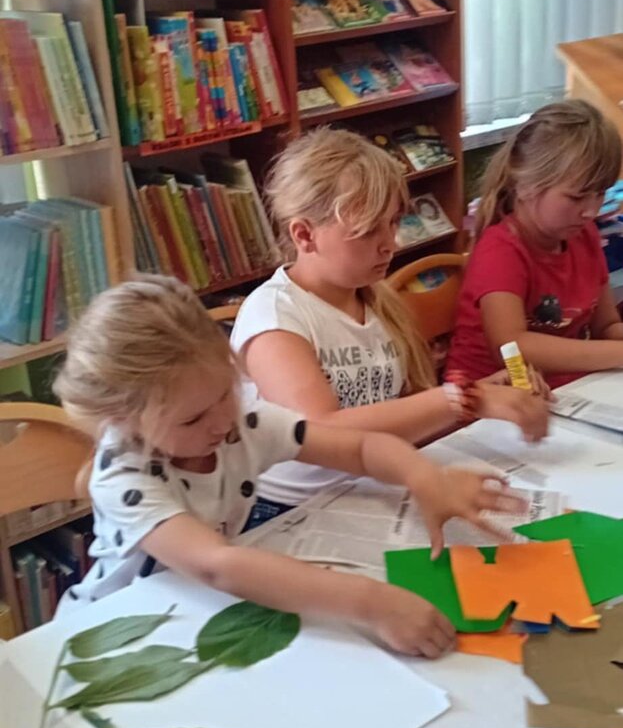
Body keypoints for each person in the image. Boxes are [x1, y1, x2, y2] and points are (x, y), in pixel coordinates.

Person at [52, 274, 526, 659]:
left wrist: (423, 476)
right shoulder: (124, 478)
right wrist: (371, 602)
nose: (221, 422)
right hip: (113, 632)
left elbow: (359, 449)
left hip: (199, 611)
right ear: (123, 421)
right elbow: (218, 564)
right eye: (193, 418)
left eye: (224, 393)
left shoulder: (240, 422)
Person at [230, 128, 548, 524]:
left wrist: (488, 396)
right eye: (367, 231)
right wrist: (462, 399)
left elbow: (400, 421)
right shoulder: (274, 314)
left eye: (393, 223)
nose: (390, 244)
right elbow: (321, 430)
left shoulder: (374, 300)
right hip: (288, 511)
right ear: (305, 235)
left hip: (368, 488)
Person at [446, 99, 623, 388]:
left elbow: (606, 326)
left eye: (600, 193)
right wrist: (617, 354)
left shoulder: (585, 234)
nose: (591, 211)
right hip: (488, 399)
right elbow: (511, 347)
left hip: (563, 393)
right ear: (526, 186)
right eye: (577, 197)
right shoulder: (500, 250)